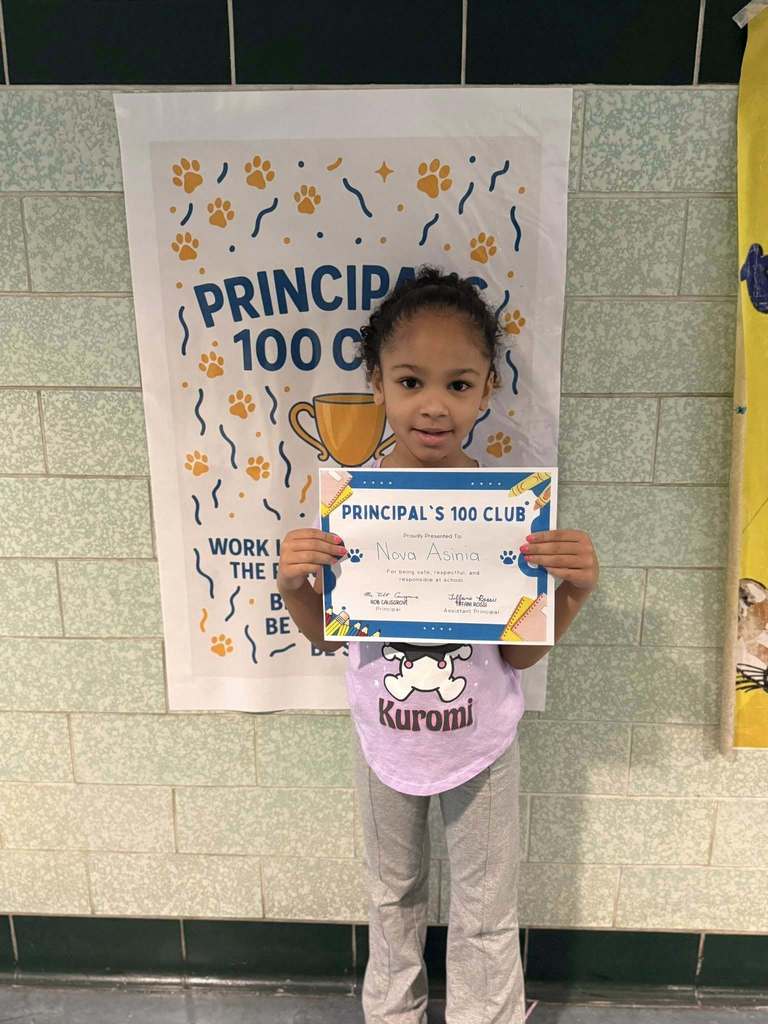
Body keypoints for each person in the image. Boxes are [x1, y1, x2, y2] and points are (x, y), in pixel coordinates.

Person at [277, 266, 599, 1024]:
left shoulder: (509, 512)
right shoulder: (347, 507)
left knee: (487, 909)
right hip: (383, 738)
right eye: (411, 380)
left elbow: (516, 656)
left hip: (482, 741)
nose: (433, 405)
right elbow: (330, 634)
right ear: (377, 386)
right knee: (390, 898)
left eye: (458, 385)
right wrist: (294, 584)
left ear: (486, 390)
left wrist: (573, 593)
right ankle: (392, 1013)